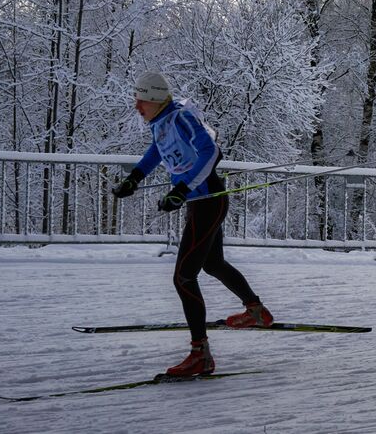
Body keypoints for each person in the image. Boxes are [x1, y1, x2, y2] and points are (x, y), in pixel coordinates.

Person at [111, 71, 274, 378]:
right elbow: (157, 152)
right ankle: (256, 311)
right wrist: (134, 178)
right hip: (200, 202)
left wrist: (181, 190)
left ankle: (200, 354)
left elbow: (211, 152)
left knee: (184, 277)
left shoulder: (181, 118)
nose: (137, 106)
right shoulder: (161, 122)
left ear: (156, 99)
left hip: (208, 200)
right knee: (212, 264)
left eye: (140, 100)